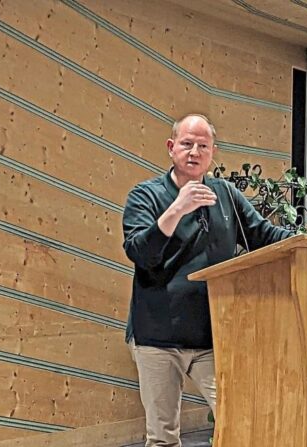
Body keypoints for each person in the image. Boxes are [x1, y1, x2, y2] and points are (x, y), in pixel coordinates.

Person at [122, 113, 294, 446]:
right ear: (171, 147)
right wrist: (177, 209)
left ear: (213, 152)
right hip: (157, 336)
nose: (194, 152)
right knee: (162, 438)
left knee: (240, 423)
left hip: (213, 335)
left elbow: (263, 235)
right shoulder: (145, 195)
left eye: (203, 146)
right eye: (187, 144)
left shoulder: (225, 194)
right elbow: (140, 252)